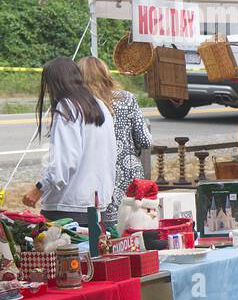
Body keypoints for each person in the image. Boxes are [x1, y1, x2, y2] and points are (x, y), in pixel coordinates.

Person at [21, 58, 115, 224]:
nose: (48, 90)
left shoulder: (68, 107)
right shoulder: (99, 105)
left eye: (49, 84)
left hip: (67, 206)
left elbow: (64, 162)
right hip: (96, 203)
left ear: (56, 82)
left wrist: (39, 188)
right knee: (92, 250)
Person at [77, 56, 150, 228]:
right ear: (106, 74)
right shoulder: (126, 99)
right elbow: (145, 139)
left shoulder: (81, 104)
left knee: (105, 234)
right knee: (133, 229)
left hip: (98, 177)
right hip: (129, 176)